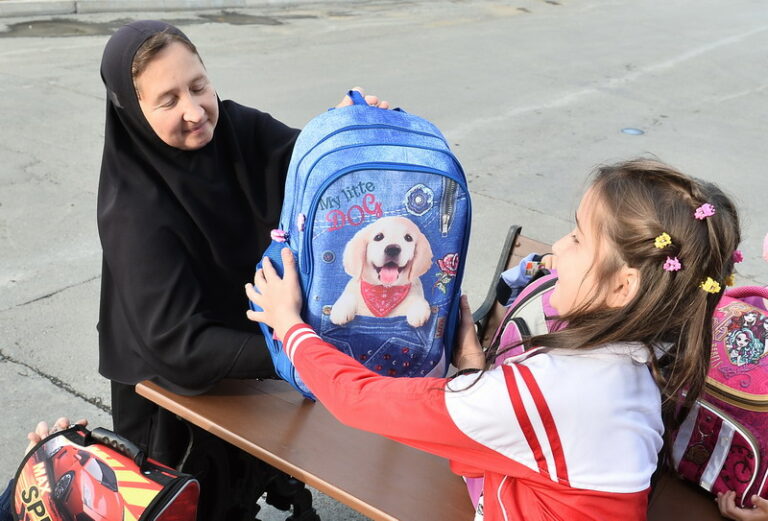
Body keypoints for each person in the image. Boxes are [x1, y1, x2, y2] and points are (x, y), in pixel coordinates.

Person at [245, 158, 743, 520]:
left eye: (577, 238)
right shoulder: (638, 360)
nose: (559, 247)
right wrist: (471, 369)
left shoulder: (556, 387)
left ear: (622, 286)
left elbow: (361, 402)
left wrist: (289, 326)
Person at [97, 19, 386, 521]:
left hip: (252, 350)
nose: (194, 111)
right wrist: (299, 348)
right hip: (172, 400)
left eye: (198, 85)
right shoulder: (134, 208)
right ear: (133, 111)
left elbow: (305, 162)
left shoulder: (234, 126)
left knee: (249, 478)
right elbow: (177, 345)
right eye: (168, 100)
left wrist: (343, 132)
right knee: (198, 504)